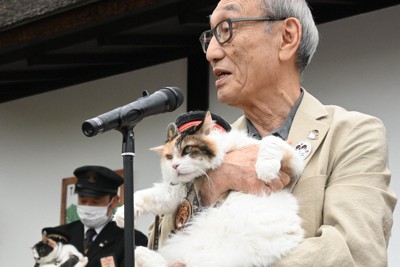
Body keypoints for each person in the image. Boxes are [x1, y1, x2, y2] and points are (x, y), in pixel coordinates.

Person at [147, 0, 397, 266]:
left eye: (226, 29)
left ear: (287, 37)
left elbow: (355, 254)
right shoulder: (209, 146)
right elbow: (159, 246)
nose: (211, 52)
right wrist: (213, 183)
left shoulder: (351, 134)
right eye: (210, 36)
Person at [42, 165, 148, 267]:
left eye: (96, 202)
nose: (88, 206)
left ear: (114, 201)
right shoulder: (58, 236)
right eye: (83, 201)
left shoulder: (132, 240)